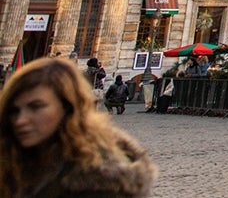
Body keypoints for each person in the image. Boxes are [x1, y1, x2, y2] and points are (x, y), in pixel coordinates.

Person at [0, 57, 155, 198]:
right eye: (14, 111)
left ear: (67, 107)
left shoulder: (102, 180)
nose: (20, 120)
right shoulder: (13, 158)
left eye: (35, 107)